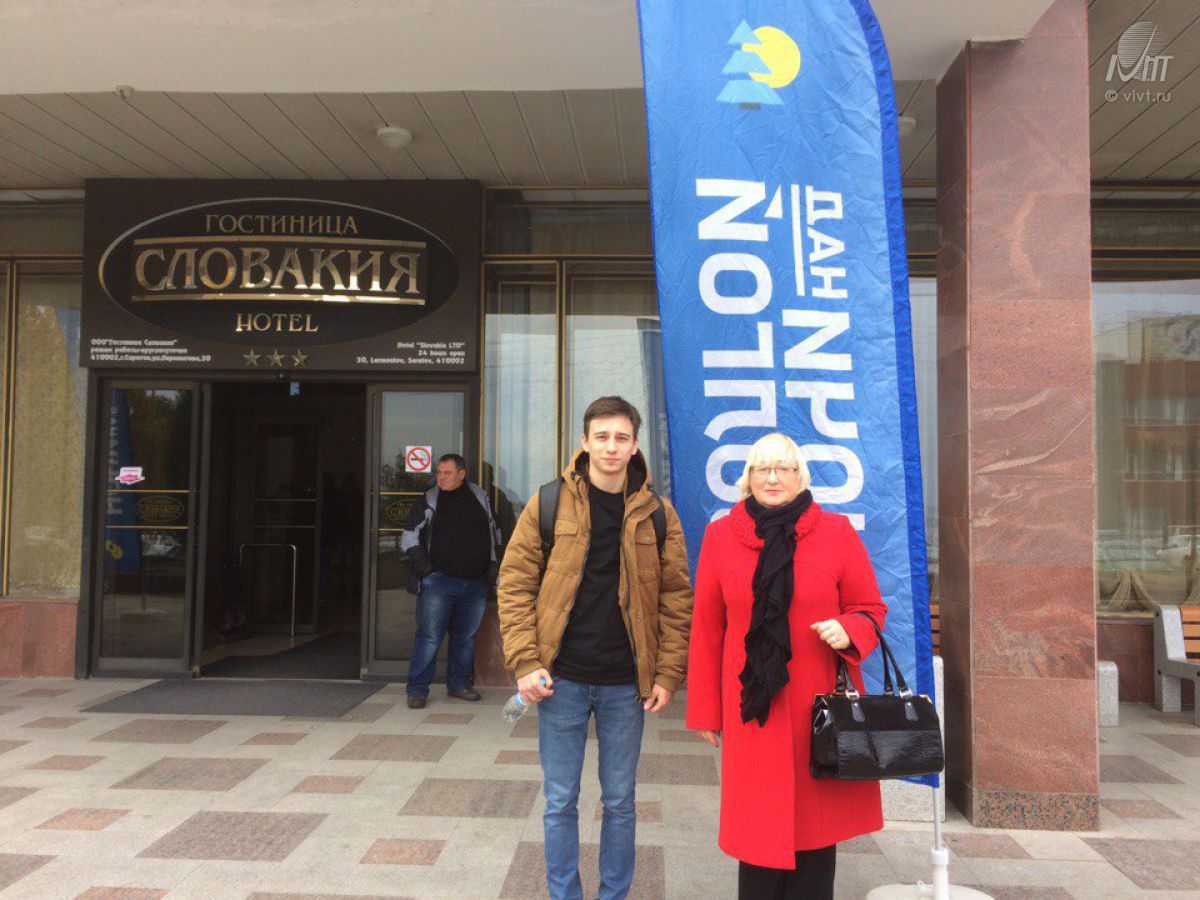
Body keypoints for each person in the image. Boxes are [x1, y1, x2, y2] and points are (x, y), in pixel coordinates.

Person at [497, 396, 694, 900]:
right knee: (560, 801)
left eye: (621, 438)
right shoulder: (547, 503)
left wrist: (668, 674)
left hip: (625, 683)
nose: (611, 447)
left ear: (635, 446)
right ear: (584, 442)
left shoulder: (658, 513)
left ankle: (613, 895)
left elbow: (676, 598)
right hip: (558, 678)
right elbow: (515, 584)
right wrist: (524, 661)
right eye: (601, 436)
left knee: (621, 801)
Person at [686, 432, 888, 900]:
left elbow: (870, 608)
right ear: (748, 479)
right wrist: (705, 711)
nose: (773, 477)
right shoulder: (720, 536)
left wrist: (848, 629)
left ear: (801, 477)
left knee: (815, 830)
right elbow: (707, 630)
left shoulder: (836, 532)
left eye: (783, 468)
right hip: (753, 708)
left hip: (817, 708)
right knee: (757, 830)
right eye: (762, 468)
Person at [401, 453, 502, 709]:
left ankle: (459, 685)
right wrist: (426, 569)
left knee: (465, 638)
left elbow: (495, 534)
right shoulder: (429, 498)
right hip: (439, 583)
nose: (441, 478)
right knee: (429, 637)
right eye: (439, 473)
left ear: (461, 474)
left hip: (476, 583)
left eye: (447, 473)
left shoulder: (479, 496)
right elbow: (409, 536)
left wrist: (493, 567)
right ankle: (417, 690)